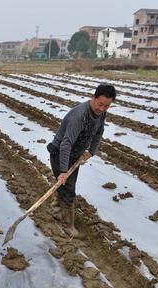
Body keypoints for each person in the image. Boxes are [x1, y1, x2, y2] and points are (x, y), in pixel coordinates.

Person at [47, 84, 116, 236]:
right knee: (68, 190)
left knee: (65, 187)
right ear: (93, 98)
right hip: (60, 154)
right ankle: (68, 225)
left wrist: (91, 152)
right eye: (100, 104)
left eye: (107, 106)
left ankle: (56, 210)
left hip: (75, 155)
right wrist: (63, 171)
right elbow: (66, 144)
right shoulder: (79, 116)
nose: (102, 109)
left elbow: (99, 132)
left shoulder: (101, 113)